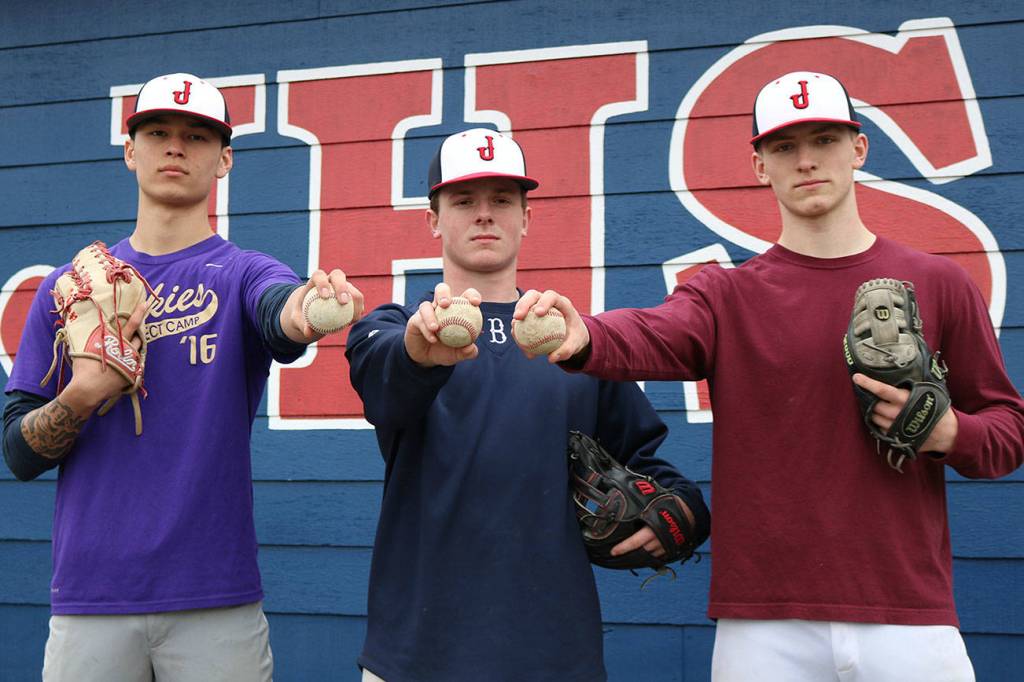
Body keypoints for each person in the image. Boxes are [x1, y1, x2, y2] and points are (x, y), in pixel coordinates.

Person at [515, 71, 1024, 681]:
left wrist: (950, 433)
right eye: (785, 146)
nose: (806, 160)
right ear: (760, 165)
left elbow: (1008, 430)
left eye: (825, 140)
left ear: (859, 148)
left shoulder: (939, 283)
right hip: (764, 623)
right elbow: (653, 330)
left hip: (907, 614)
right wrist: (587, 336)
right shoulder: (726, 295)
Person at [2, 72, 364, 681]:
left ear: (224, 160)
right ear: (129, 150)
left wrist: (306, 311)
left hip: (214, 596)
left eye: (197, 136)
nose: (175, 147)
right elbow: (18, 452)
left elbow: (280, 312)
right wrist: (84, 393)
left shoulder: (243, 272)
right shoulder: (72, 289)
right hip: (92, 597)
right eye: (158, 133)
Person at [345, 128, 710, 682]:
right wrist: (421, 353)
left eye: (502, 200)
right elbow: (385, 386)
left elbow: (648, 467)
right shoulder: (393, 329)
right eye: (463, 201)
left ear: (527, 217)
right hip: (416, 655)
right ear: (433, 219)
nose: (484, 214)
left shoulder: (573, 343)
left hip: (553, 654)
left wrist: (685, 514)